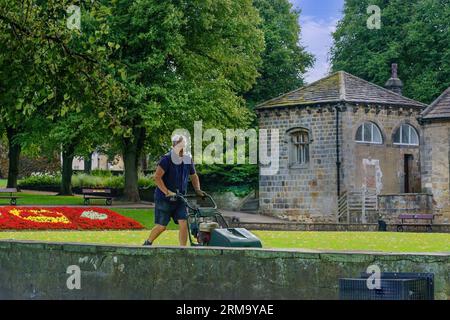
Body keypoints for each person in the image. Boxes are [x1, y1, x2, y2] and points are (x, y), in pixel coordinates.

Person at [143, 134, 206, 246]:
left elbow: (194, 176)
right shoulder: (166, 159)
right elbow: (157, 177)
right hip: (164, 198)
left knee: (183, 222)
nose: (182, 149)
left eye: (184, 146)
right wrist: (167, 192)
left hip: (180, 198)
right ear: (174, 146)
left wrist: (198, 190)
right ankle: (148, 242)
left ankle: (183, 249)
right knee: (162, 226)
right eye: (180, 146)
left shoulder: (187, 159)